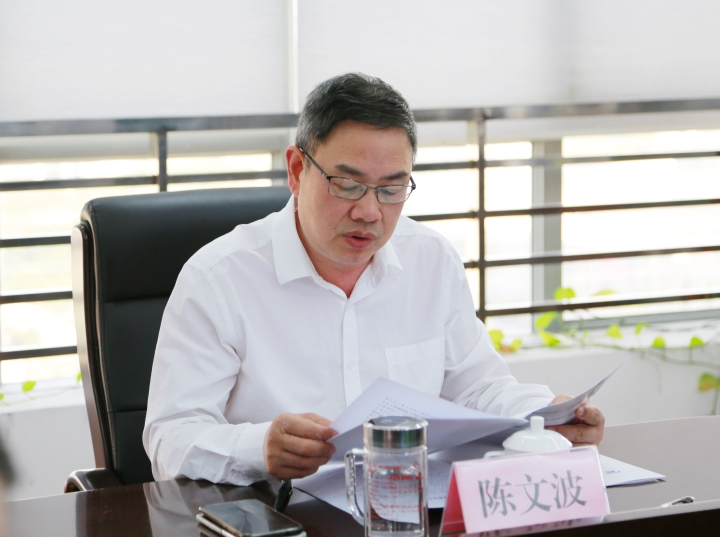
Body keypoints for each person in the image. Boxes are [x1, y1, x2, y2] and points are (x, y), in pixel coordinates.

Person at [143, 73, 604, 486]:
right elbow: (170, 439)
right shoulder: (218, 279)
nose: (369, 211)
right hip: (279, 515)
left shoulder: (431, 260)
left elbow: (478, 386)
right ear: (297, 171)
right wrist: (258, 447)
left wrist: (545, 417)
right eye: (347, 185)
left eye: (391, 189)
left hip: (406, 506)